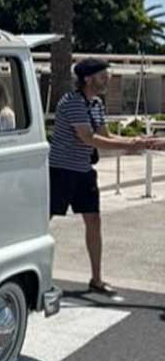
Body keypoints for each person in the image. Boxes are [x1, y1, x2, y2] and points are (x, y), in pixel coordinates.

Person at [49, 57, 164, 295]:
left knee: (94, 221)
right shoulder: (71, 103)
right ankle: (39, 275)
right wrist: (136, 143)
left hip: (84, 171)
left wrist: (140, 143)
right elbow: (89, 139)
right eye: (103, 76)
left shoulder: (97, 105)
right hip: (61, 172)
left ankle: (96, 279)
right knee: (43, 223)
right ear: (88, 79)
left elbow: (106, 136)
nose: (107, 79)